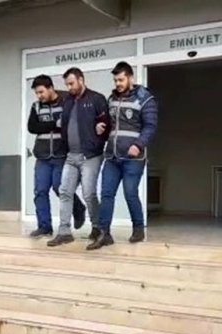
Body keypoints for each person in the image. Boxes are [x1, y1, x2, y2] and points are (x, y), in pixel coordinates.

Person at [88, 61, 158, 250]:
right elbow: (110, 126)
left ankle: (138, 229)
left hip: (133, 158)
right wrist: (100, 128)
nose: (117, 83)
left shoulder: (145, 99)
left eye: (121, 80)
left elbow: (150, 127)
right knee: (106, 194)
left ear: (130, 78)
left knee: (130, 193)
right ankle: (104, 233)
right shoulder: (112, 99)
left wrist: (138, 145)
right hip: (112, 156)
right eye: (115, 80)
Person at [47, 67, 111, 247]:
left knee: (89, 193)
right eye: (67, 84)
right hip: (71, 156)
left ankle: (97, 227)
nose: (69, 87)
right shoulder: (68, 101)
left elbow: (107, 123)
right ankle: (64, 232)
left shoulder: (96, 99)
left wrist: (100, 133)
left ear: (81, 80)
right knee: (64, 192)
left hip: (90, 155)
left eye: (71, 83)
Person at [27, 75, 86, 238]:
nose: (39, 96)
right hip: (42, 155)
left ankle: (78, 208)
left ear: (50, 88)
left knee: (59, 187)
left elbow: (71, 123)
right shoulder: (36, 106)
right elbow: (32, 127)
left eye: (41, 92)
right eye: (36, 93)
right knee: (40, 191)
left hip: (61, 154)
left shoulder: (67, 101)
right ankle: (44, 226)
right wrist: (54, 124)